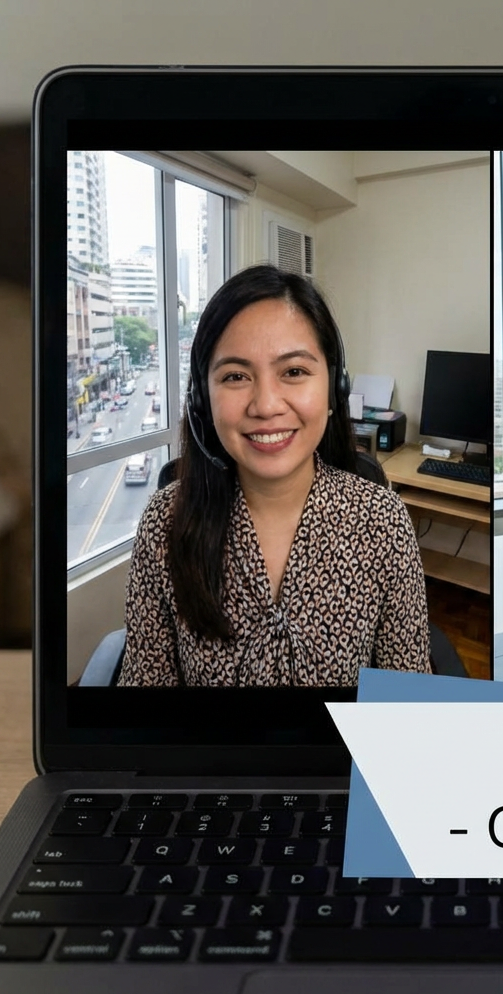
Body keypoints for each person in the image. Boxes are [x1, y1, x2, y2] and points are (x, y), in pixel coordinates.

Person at [118, 264, 430, 686]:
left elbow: (407, 701)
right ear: (201, 401)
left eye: (294, 372)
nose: (266, 405)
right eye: (235, 376)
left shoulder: (382, 521)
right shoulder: (165, 523)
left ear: (334, 390)